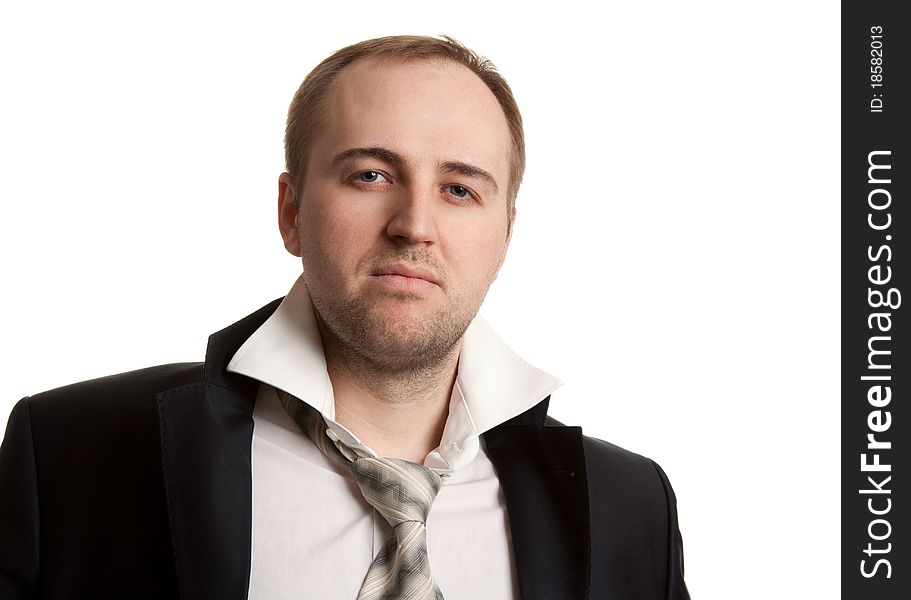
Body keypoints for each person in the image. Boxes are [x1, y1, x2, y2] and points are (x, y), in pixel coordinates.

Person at [0, 35, 689, 600]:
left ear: (504, 236)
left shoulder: (629, 508)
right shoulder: (70, 455)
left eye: (458, 188)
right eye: (370, 175)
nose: (414, 226)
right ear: (291, 212)